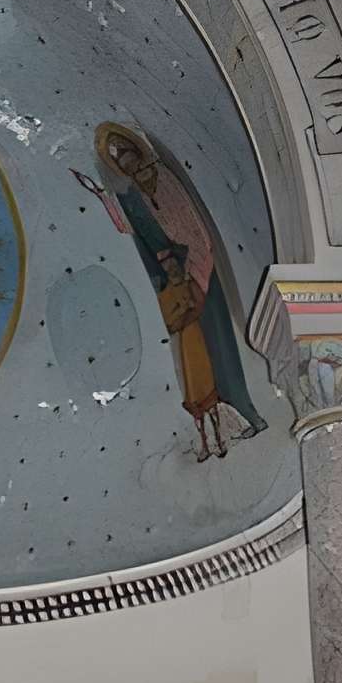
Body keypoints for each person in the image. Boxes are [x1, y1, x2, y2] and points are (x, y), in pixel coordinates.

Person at [94, 122, 267, 441]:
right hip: (175, 277)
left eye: (125, 151)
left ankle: (243, 407)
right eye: (118, 157)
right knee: (196, 349)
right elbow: (133, 230)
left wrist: (187, 261)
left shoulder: (164, 179)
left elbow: (189, 223)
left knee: (219, 338)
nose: (124, 159)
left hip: (197, 265)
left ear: (137, 150)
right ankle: (226, 413)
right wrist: (108, 202)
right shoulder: (132, 195)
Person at [156, 243, 226, 460]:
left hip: (197, 340)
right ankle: (204, 443)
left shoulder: (188, 285)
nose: (173, 271)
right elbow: (170, 324)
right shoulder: (165, 296)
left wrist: (185, 315)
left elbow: (198, 305)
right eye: (169, 269)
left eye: (175, 266)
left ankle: (220, 437)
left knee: (206, 385)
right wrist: (184, 315)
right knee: (191, 389)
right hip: (182, 346)